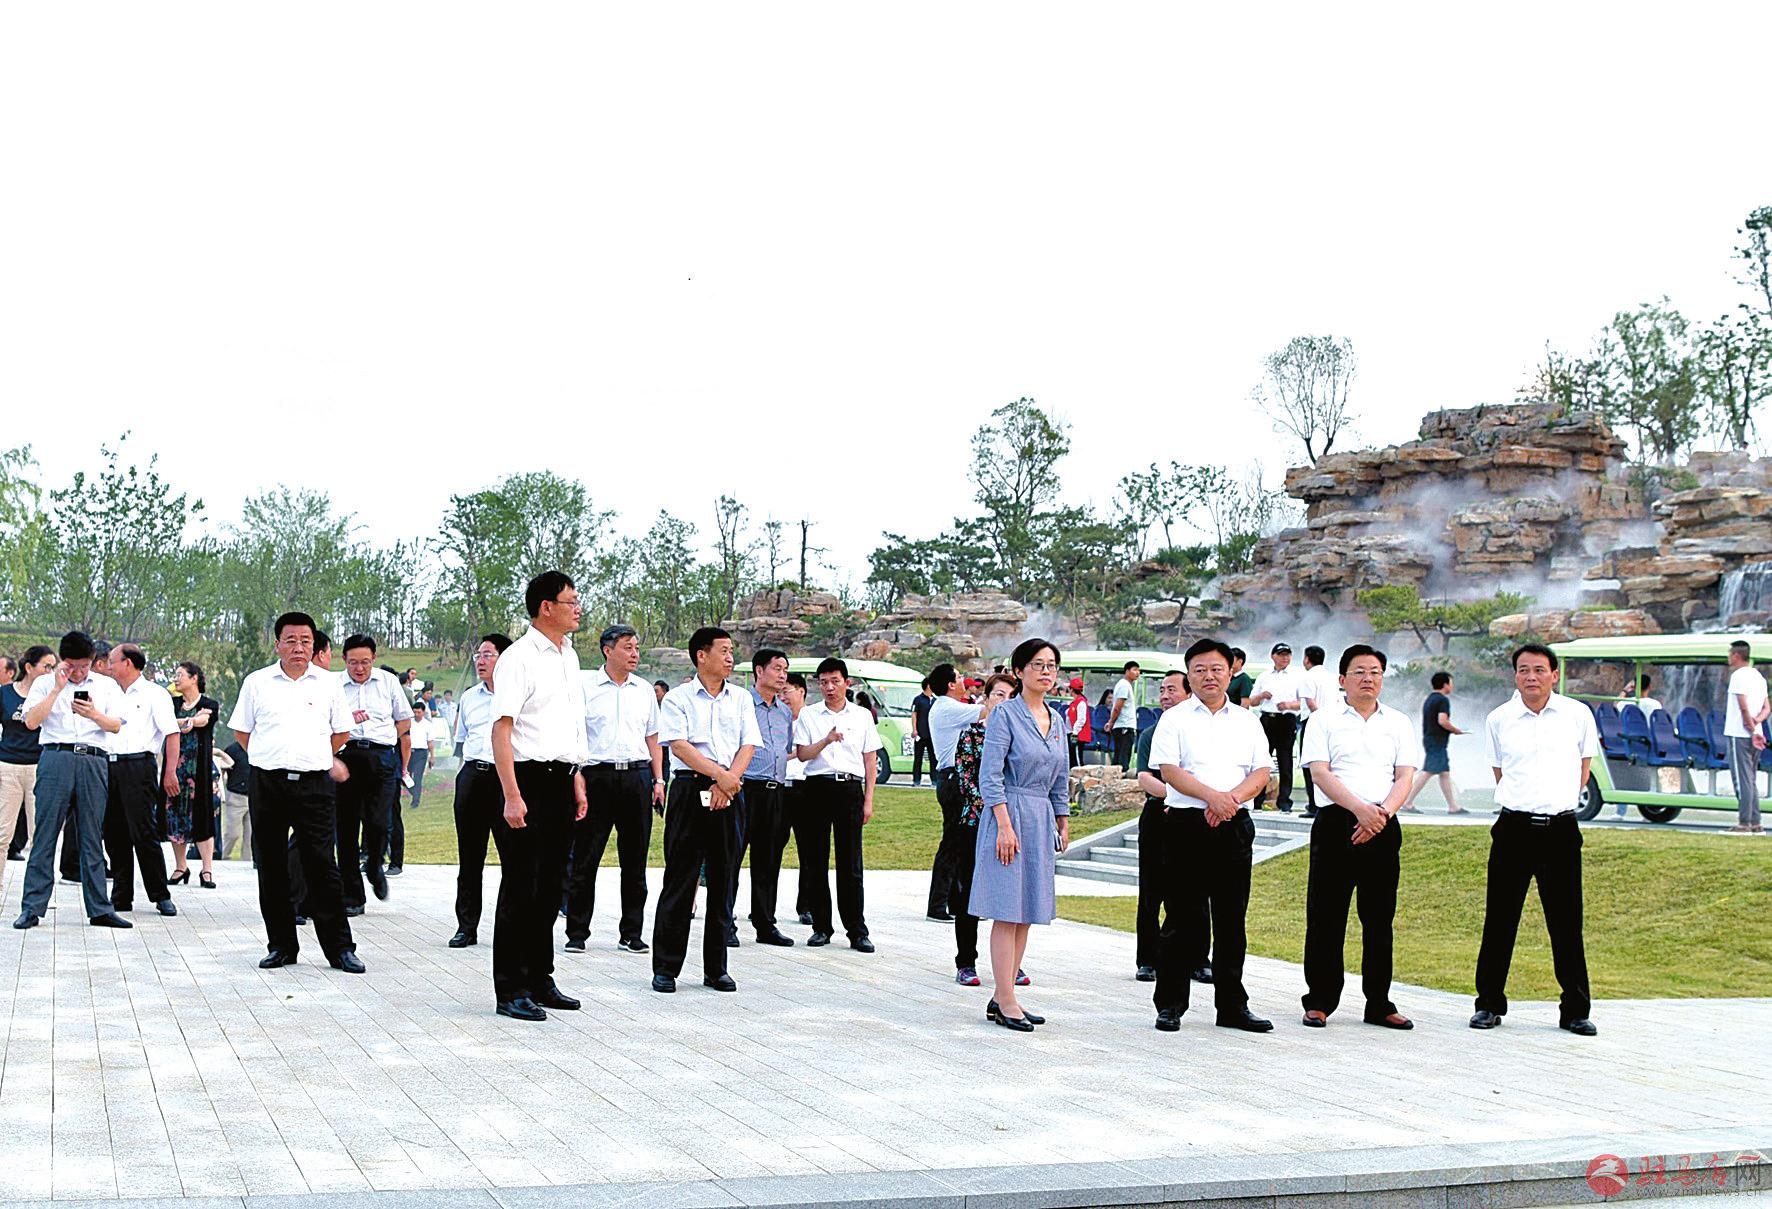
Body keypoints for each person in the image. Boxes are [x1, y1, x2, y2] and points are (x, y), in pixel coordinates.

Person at [1470, 643, 1599, 1036]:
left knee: (1566, 923)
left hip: (1560, 830)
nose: (1531, 677)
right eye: (1523, 669)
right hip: (1514, 829)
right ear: (1515, 675)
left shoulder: (1577, 715)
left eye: (1539, 670)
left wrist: (1555, 801)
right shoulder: (1499, 718)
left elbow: (1583, 769)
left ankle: (1575, 1010)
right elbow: (1499, 771)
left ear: (1554, 675)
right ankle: (1488, 1004)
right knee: (1500, 919)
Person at [1148, 638, 1273, 1034]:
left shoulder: (1247, 721)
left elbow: (1261, 771)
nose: (1209, 676)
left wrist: (1229, 802)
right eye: (1199, 669)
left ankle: (1232, 1006)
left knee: (1232, 919)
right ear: (1189, 675)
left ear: (1230, 671)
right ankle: (1170, 1004)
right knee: (1181, 918)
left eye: (1216, 668)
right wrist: (1212, 798)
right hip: (1187, 825)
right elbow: (1169, 771)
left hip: (1234, 825)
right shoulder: (1175, 719)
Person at [228, 612, 363, 972]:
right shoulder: (257, 682)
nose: (298, 647)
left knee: (322, 865)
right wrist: (269, 755)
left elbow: (341, 732)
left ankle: (340, 949)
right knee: (271, 866)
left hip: (314, 785)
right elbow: (242, 732)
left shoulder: (328, 684)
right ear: (277, 644)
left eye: (305, 641)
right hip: (268, 784)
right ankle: (282, 946)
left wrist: (314, 755)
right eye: (291, 640)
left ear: (313, 646)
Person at [1299, 644, 1420, 1030]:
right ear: (1342, 679)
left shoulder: (1398, 722)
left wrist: (1381, 814)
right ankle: (1320, 1000)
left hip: (1383, 823)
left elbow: (1405, 775)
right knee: (1326, 916)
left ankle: (1379, 1003)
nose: (1368, 678)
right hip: (1337, 823)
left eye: (1375, 672)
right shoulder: (1323, 720)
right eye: (1359, 672)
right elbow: (1320, 773)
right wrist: (1359, 810)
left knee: (1379, 918)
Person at [488, 572, 589, 1020]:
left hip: (562, 779)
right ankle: (510, 988)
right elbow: (502, 730)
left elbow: (568, 725)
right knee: (521, 887)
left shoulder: (568, 655)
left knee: (550, 887)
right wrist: (511, 794)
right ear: (546, 607)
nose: (578, 608)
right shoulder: (519, 658)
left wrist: (576, 776)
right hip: (526, 780)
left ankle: (539, 978)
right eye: (571, 601)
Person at [652, 626, 760, 994]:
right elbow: (679, 746)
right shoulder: (678, 698)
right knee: (680, 879)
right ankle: (666, 968)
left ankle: (716, 969)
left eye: (732, 651)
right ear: (702, 655)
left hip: (730, 790)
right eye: (724, 650)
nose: (730, 657)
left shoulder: (741, 698)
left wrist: (728, 781)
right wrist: (718, 775)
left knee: (724, 880)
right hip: (689, 791)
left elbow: (749, 744)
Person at [971, 639, 1070, 1031]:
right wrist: (1004, 825)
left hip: (1040, 817)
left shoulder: (1057, 720)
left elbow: (1060, 775)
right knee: (1007, 910)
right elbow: (990, 774)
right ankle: (1006, 999)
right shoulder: (1005, 714)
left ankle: (1004, 995)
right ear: (1019, 671)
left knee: (1027, 911)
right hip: (1008, 814)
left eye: (1051, 665)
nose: (1046, 671)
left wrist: (1062, 819)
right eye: (1037, 664)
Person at [14, 632, 131, 930]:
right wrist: (57, 689)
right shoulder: (45, 683)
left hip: (93, 759)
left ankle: (100, 908)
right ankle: (32, 907)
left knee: (92, 835)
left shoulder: (105, 685)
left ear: (92, 661)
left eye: (84, 666)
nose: (78, 672)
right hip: (57, 757)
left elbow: (115, 725)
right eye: (72, 665)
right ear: (62, 660)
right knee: (45, 834)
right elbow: (31, 722)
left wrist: (93, 714)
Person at [567, 624, 665, 954]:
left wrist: (658, 780)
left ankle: (631, 933)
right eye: (627, 647)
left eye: (636, 647)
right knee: (585, 858)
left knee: (635, 861)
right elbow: (574, 733)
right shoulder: (585, 687)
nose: (634, 654)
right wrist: (578, 775)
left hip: (637, 778)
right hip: (597, 778)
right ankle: (577, 932)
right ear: (607, 650)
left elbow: (653, 737)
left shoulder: (644, 690)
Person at [794, 657, 883, 952]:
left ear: (847, 682)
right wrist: (827, 740)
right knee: (815, 860)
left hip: (849, 789)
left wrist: (868, 799)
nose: (829, 688)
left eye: (835, 681)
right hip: (816, 788)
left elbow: (870, 759)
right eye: (823, 682)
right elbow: (803, 754)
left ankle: (857, 930)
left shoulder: (861, 716)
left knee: (851, 863)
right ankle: (821, 927)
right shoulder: (809, 715)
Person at [103, 645, 182, 918]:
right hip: (108, 765)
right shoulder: (108, 692)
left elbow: (172, 734)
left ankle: (160, 895)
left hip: (139, 766)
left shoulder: (154, 694)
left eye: (112, 661)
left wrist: (170, 771)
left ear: (127, 663)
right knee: (113, 832)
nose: (108, 666)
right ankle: (121, 895)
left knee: (144, 832)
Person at [950, 673, 1018, 986]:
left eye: (1011, 696)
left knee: (1009, 894)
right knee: (969, 891)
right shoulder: (971, 735)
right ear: (986, 698)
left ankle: (1010, 964)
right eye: (998, 695)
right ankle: (966, 961)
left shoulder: (1019, 737)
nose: (1004, 702)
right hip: (976, 821)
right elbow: (966, 780)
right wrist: (995, 808)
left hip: (1011, 825)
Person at [336, 635, 411, 914]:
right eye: (353, 662)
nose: (359, 668)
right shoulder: (333, 685)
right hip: (346, 756)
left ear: (374, 659)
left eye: (365, 662)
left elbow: (404, 719)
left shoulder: (387, 682)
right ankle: (353, 897)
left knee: (380, 821)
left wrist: (388, 737)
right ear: (344, 660)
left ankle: (375, 865)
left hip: (381, 758)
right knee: (345, 828)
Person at [447, 633, 508, 947]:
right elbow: (462, 741)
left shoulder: (518, 696)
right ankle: (466, 927)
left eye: (488, 655)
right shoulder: (470, 697)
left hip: (507, 780)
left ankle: (510, 928)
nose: (480, 661)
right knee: (470, 857)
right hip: (473, 776)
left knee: (513, 858)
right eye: (478, 656)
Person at [1133, 670, 1191, 983]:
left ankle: (1196, 958)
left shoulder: (1199, 730)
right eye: (1162, 690)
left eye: (1172, 690)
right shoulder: (1150, 734)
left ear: (1189, 693)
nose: (1165, 696)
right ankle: (1148, 959)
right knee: (1151, 891)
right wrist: (1176, 795)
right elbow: (1144, 776)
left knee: (1193, 892)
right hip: (1159, 815)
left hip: (1193, 815)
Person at [738, 647, 795, 947]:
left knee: (769, 860)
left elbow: (785, 749)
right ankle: (725, 923)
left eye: (785, 669)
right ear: (759, 671)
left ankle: (765, 923)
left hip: (775, 791)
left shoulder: (784, 711)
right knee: (732, 858)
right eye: (777, 668)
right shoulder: (742, 704)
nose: (782, 675)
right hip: (746, 788)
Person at [925, 662, 983, 922]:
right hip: (953, 780)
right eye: (959, 677)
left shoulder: (947, 707)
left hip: (955, 779)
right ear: (950, 684)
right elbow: (987, 711)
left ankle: (953, 902)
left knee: (959, 842)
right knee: (952, 842)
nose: (963, 680)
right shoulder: (948, 707)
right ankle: (938, 905)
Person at [1, 647, 55, 888]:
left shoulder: (51, 695)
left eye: (53, 667)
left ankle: (39, 891)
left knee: (40, 835)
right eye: (46, 666)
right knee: (3, 833)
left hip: (39, 767)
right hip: (7, 767)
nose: (51, 672)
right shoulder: (4, 694)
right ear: (29, 667)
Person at [167, 660, 221, 888]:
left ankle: (206, 869)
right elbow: (166, 723)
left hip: (199, 771)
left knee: (203, 815)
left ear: (194, 678)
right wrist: (187, 721)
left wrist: (189, 721)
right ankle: (181, 866)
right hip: (175, 768)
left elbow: (203, 721)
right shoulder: (172, 704)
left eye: (180, 674)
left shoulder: (209, 704)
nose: (176, 679)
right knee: (175, 814)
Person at [1248, 642, 1305, 812]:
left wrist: (1288, 705)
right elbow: (1252, 701)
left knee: (1285, 761)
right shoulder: (1264, 676)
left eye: (1288, 654)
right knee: (1261, 760)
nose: (1285, 658)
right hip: (1267, 719)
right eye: (1281, 654)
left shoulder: (1297, 677)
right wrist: (1262, 695)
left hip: (1286, 719)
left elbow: (1303, 703)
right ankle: (1257, 800)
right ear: (1273, 656)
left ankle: (1284, 802)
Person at [1402, 671, 1465, 814]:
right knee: (1428, 772)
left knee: (1444, 773)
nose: (1452, 686)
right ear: (1445, 684)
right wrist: (1456, 730)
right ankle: (1407, 801)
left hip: (1430, 739)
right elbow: (1442, 721)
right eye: (1450, 683)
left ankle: (1453, 806)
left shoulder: (1429, 699)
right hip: (1437, 741)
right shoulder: (1443, 700)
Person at [1725, 640, 1769, 835]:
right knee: (1751, 779)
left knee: (1741, 779)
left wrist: (1750, 726)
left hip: (1740, 734)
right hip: (1757, 734)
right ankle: (1755, 821)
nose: (1728, 658)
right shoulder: (1758, 676)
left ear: (1736, 655)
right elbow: (1767, 707)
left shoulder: (1738, 676)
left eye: (1730, 654)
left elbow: (1743, 706)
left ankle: (1744, 823)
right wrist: (1757, 723)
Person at [783, 672, 812, 926]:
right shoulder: (775, 718)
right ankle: (763, 908)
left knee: (809, 850)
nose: (783, 697)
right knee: (769, 849)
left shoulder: (813, 718)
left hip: (805, 788)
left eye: (787, 691)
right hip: (780, 788)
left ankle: (807, 906)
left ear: (801, 691)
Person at [1297, 645, 1337, 816]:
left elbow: (1311, 702)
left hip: (1313, 721)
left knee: (1310, 764)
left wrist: (1319, 719)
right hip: (1333, 722)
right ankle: (1327, 802)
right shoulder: (1331, 677)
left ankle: (1314, 805)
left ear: (1307, 659)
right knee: (1329, 765)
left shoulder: (1308, 677)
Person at [217, 737, 252, 863]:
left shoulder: (257, 747)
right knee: (233, 834)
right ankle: (224, 858)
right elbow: (222, 769)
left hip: (253, 796)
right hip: (236, 797)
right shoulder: (233, 749)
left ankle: (247, 861)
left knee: (250, 835)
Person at [1107, 661, 1142, 770]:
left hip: (1123, 726)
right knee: (1123, 758)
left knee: (1119, 756)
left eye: (1139, 671)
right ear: (1127, 671)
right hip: (1124, 726)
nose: (1137, 673)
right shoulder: (1124, 685)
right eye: (1135, 670)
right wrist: (1111, 722)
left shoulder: (1125, 685)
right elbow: (1118, 707)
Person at [910, 678, 936, 788]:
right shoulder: (918, 699)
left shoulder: (935, 700)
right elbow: (914, 714)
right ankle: (916, 780)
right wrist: (914, 729)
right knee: (918, 758)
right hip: (921, 733)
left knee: (933, 758)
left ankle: (934, 780)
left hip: (932, 734)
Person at [1065, 677, 1092, 767]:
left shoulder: (1081, 702)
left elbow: (1081, 719)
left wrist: (1075, 733)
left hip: (1076, 735)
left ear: (1072, 689)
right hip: (1071, 733)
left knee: (1077, 760)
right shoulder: (1075, 702)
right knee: (1072, 758)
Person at [1227, 649, 1255, 715]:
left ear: (1240, 661)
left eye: (1231, 659)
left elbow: (1245, 704)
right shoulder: (1227, 677)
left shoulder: (1244, 679)